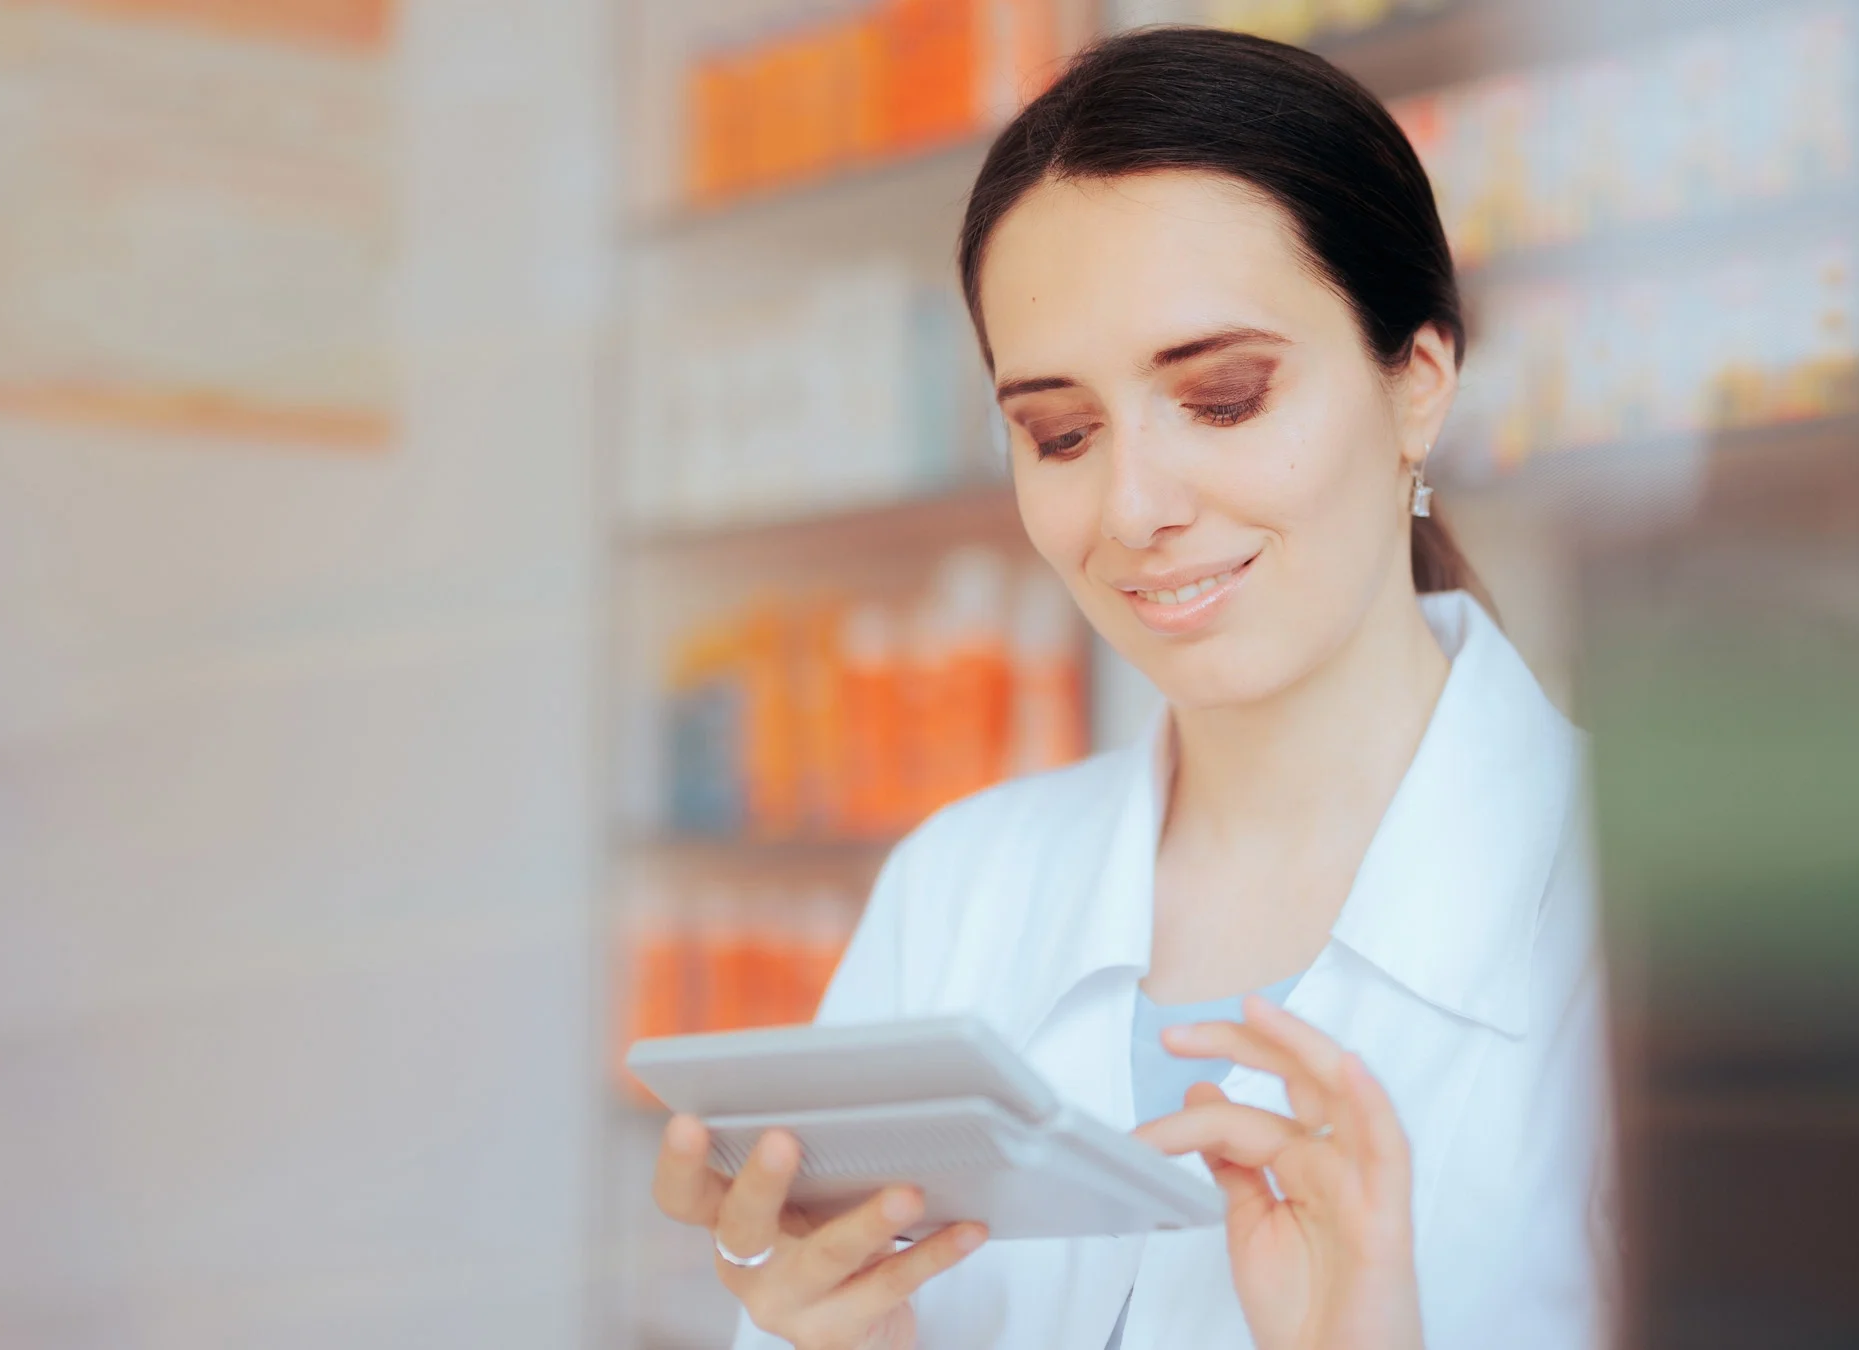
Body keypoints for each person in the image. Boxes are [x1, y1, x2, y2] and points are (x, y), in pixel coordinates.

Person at [652, 26, 1608, 1350]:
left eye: (1222, 399)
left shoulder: (1652, 921)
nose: (1134, 507)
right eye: (1061, 432)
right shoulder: (959, 888)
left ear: (1418, 385)